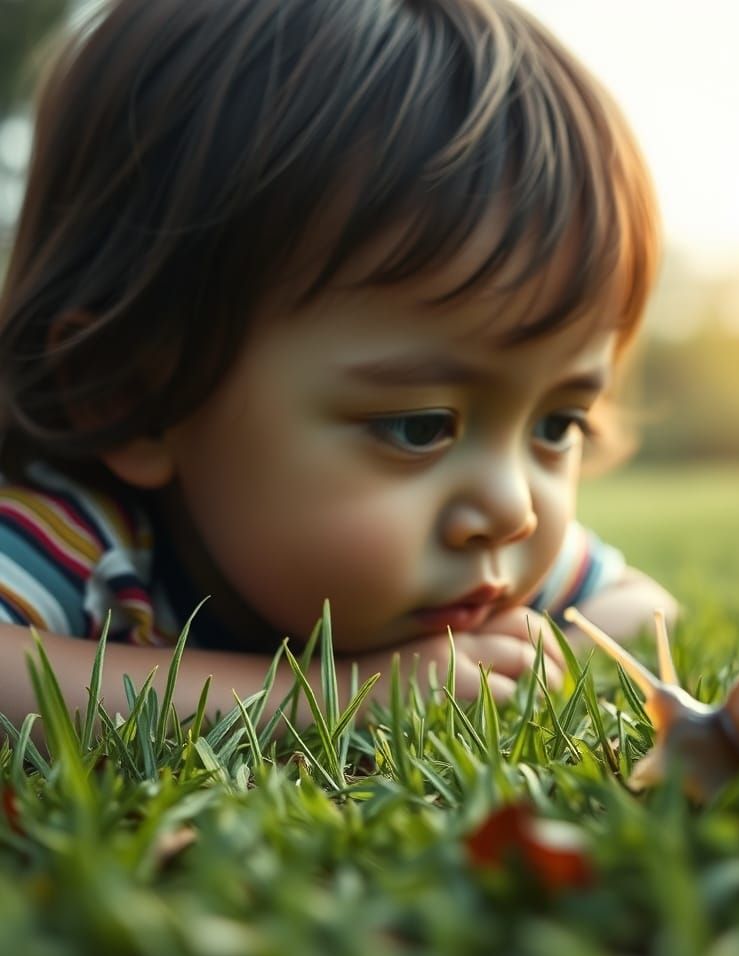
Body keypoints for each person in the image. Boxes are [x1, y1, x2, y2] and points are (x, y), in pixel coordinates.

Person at [0, 0, 676, 727]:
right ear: (134, 395)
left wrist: (543, 661)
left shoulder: (480, 573)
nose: (514, 509)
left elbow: (643, 606)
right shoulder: (74, 539)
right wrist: (337, 696)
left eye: (557, 423)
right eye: (420, 427)